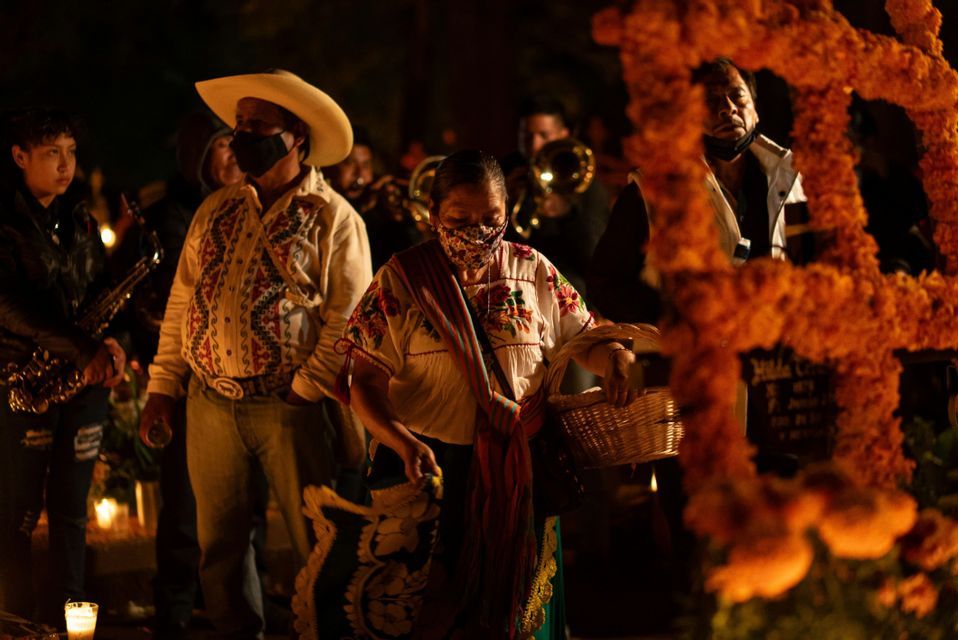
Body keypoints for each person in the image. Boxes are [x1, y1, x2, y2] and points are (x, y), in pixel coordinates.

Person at [341, 150, 638, 638]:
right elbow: (364, 382)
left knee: (518, 613)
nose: (477, 231)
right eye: (460, 219)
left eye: (491, 219)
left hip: (519, 469)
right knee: (434, 614)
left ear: (508, 213)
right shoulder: (402, 280)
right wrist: (401, 441)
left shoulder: (532, 270)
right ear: (433, 214)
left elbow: (585, 340)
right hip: (431, 470)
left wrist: (616, 359)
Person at [139, 70, 372, 638]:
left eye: (256, 125)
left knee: (318, 543)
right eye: (239, 125)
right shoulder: (215, 209)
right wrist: (163, 389)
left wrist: (304, 389)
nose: (242, 135)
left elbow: (350, 319)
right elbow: (182, 304)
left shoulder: (335, 218)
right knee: (218, 549)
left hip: (291, 407)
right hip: (210, 405)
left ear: (295, 135)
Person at [119, 110, 245, 639]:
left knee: (244, 504)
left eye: (242, 145)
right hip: (187, 378)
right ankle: (173, 606)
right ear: (199, 155)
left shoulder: (252, 208)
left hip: (237, 377)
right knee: (183, 502)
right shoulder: (167, 214)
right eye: (224, 147)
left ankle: (237, 603)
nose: (237, 157)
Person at [0, 108, 126, 625]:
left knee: (73, 510)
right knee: (18, 514)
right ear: (20, 157)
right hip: (23, 385)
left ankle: (69, 625)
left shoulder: (79, 219)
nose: (65, 164)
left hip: (83, 382)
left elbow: (99, 292)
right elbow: (8, 306)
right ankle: (17, 623)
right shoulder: (4, 225)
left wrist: (115, 344)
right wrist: (81, 347)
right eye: (52, 152)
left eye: (71, 151)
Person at [589, 57, 808, 323]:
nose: (727, 109)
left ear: (755, 108)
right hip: (690, 357)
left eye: (737, 95)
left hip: (773, 351)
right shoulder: (651, 190)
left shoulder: (793, 176)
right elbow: (606, 283)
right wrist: (679, 319)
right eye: (709, 101)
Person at [502, 96, 610, 294]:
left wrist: (566, 215)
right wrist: (503, 205)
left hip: (569, 291)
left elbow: (596, 260)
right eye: (526, 136)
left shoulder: (581, 179)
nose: (534, 145)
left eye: (544, 135)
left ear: (563, 135)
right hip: (515, 286)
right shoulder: (505, 173)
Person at [326, 127, 423, 270]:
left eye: (366, 165)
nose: (359, 173)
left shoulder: (380, 206)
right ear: (332, 166)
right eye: (350, 163)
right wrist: (363, 210)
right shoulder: (325, 205)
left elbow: (412, 258)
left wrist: (399, 220)